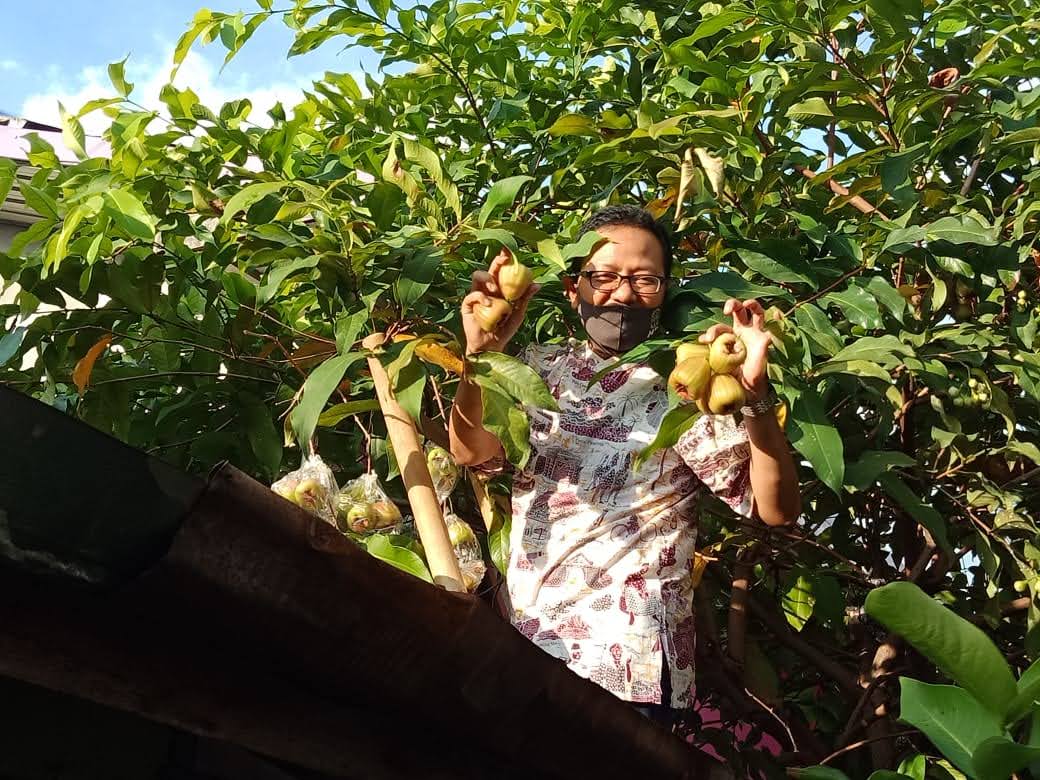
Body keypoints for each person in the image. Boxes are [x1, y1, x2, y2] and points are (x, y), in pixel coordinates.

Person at [449, 205, 801, 727]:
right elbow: (472, 451)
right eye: (605, 276)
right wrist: (478, 357)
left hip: (631, 665)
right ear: (574, 288)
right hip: (529, 647)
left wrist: (753, 397)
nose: (623, 293)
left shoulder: (683, 385)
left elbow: (774, 508)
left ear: (665, 290)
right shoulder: (537, 372)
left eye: (645, 279)